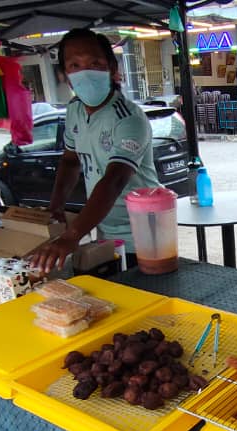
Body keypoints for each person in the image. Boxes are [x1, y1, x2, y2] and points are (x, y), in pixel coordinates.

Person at [27, 29, 162, 272]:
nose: (85, 72)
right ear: (65, 75)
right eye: (74, 65)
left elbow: (114, 180)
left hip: (146, 234)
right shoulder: (74, 111)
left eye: (95, 63)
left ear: (111, 67)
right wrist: (55, 208)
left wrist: (72, 236)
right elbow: (70, 161)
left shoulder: (128, 117)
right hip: (105, 230)